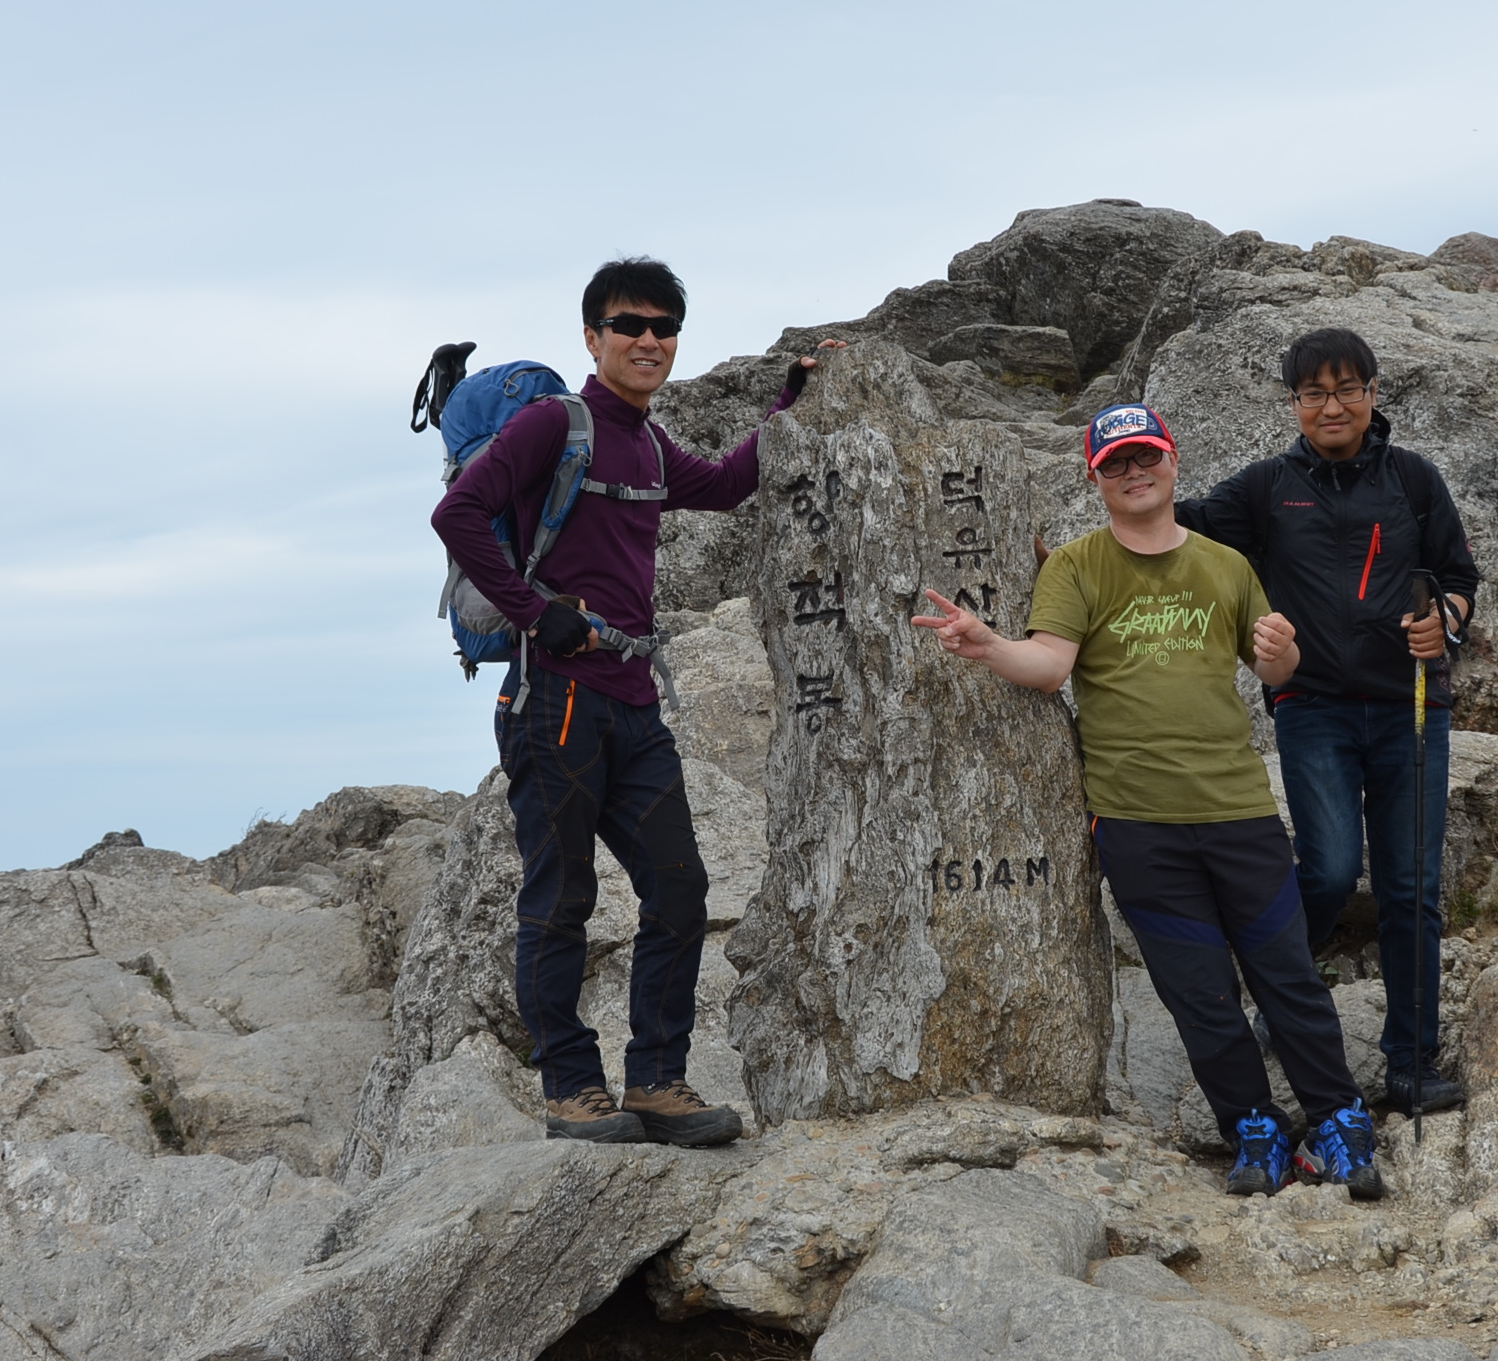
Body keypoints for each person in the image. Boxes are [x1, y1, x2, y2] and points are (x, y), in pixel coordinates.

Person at [913, 402, 1382, 1200]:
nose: (1134, 473)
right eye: (1115, 464)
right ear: (1096, 478)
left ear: (1172, 460)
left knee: (1287, 974)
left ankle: (1339, 1121)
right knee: (1197, 991)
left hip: (1238, 810)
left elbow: (1273, 674)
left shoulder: (1226, 565)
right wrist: (990, 645)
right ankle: (1254, 1130)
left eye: (1145, 457)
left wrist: (1286, 652)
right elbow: (1053, 664)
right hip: (1136, 823)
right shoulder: (1076, 567)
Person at [434, 257, 838, 1147]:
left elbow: (731, 486)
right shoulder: (556, 424)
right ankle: (572, 1091)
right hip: (555, 702)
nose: (649, 340)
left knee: (680, 888)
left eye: (664, 328)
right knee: (562, 897)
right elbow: (458, 514)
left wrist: (792, 398)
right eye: (630, 325)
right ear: (593, 337)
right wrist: (539, 613)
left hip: (631, 703)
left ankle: (656, 1081)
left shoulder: (650, 444)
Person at [1175, 328, 1480, 1116]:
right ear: (1295, 405)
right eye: (1315, 393)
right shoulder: (1267, 489)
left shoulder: (1414, 479)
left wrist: (1442, 621)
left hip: (1414, 703)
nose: (1332, 405)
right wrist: (1059, 556)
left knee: (1412, 889)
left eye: (1347, 388)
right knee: (1332, 870)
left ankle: (1412, 1061)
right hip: (1312, 706)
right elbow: (1171, 531)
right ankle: (1288, 995)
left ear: (1375, 394)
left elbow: (1457, 576)